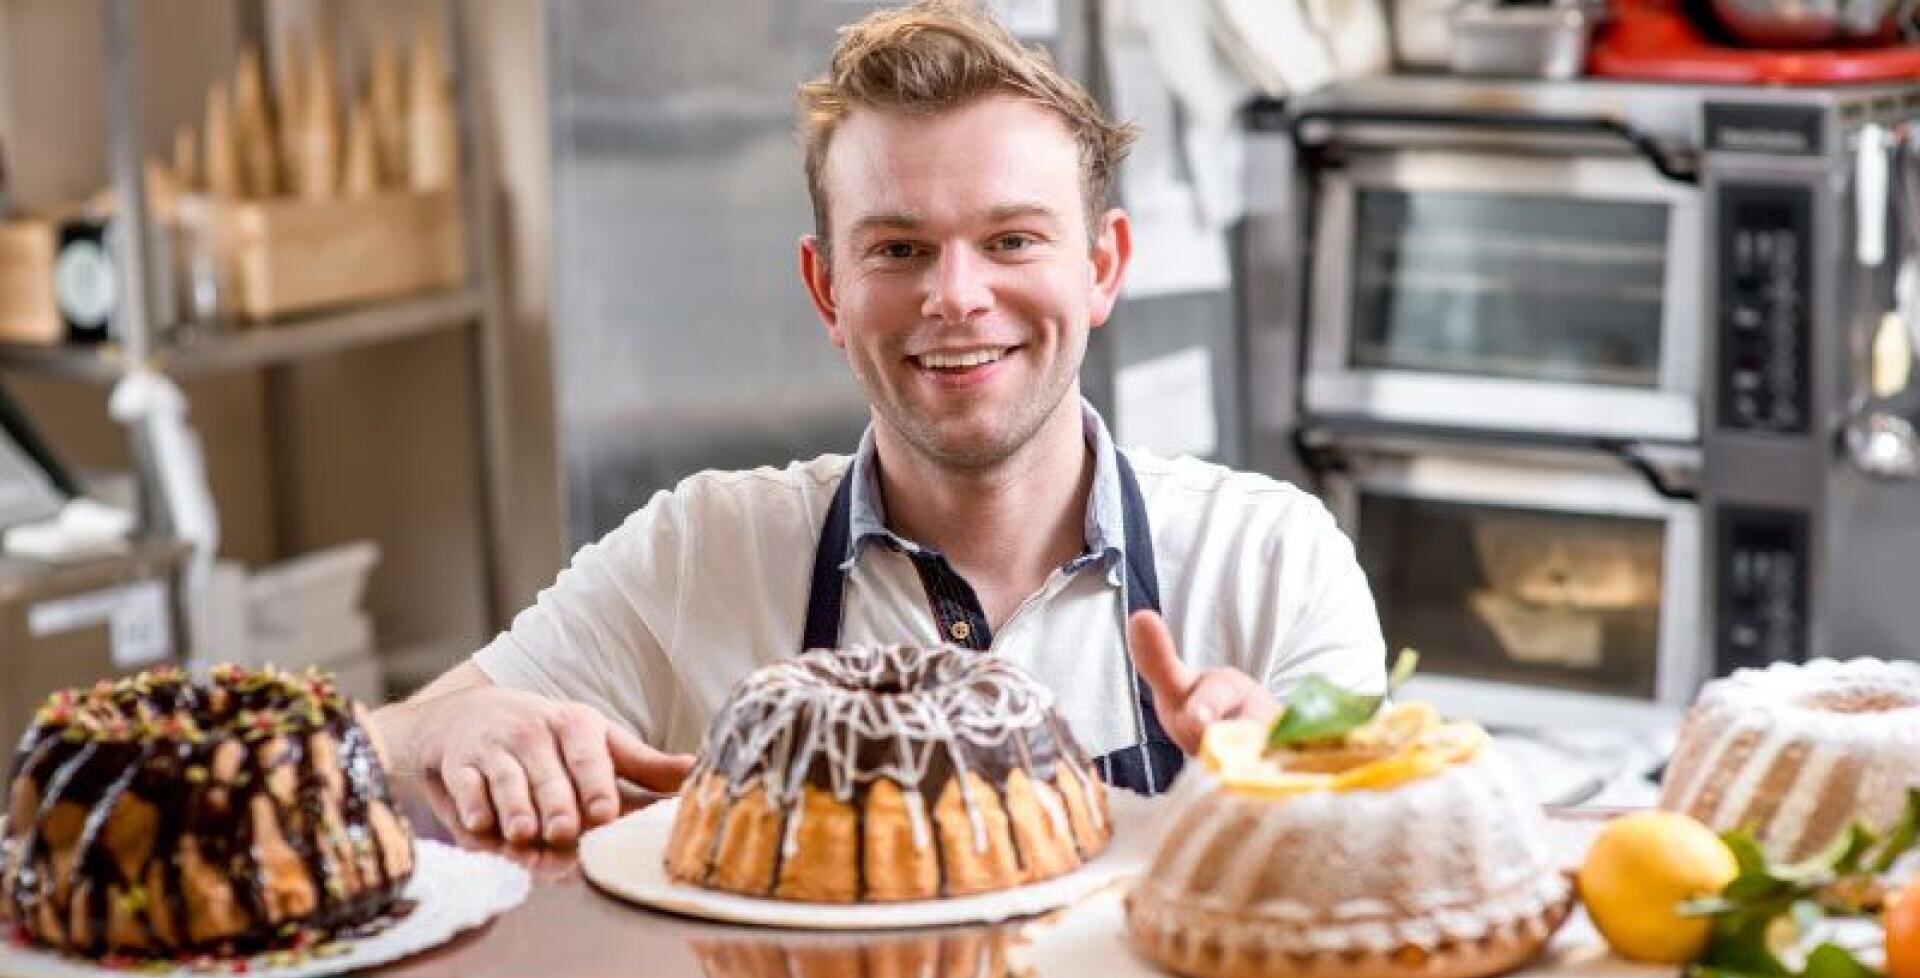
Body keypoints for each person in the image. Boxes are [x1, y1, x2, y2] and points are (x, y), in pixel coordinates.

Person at [370, 0, 1384, 847]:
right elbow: (367, 749)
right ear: (826, 289)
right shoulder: (698, 555)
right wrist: (440, 734)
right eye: (898, 249)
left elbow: (1387, 877)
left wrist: (1302, 795)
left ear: (1105, 265)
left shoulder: (1271, 560)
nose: (957, 295)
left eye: (1011, 239)